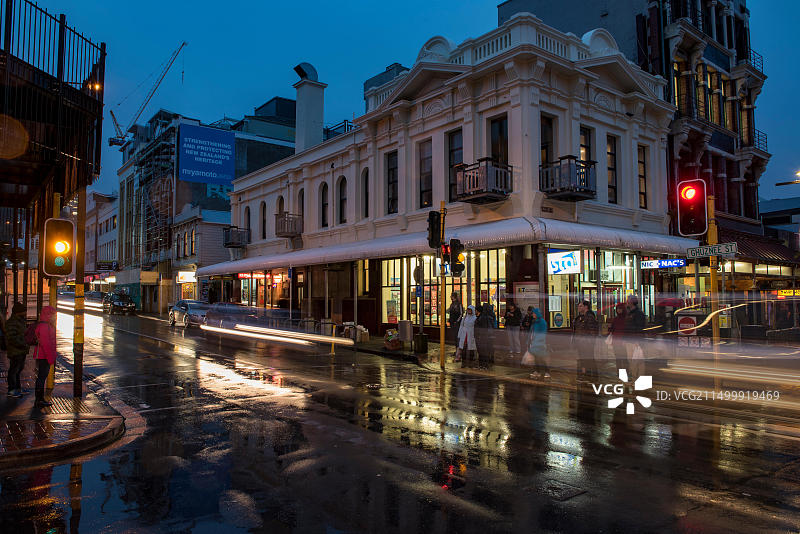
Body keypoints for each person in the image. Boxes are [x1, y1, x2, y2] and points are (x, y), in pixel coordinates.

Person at [33, 306, 58, 408]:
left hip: (44, 356)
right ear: (49, 315)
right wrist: (50, 358)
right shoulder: (45, 327)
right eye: (54, 315)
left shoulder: (46, 325)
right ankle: (39, 400)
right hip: (44, 356)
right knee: (41, 378)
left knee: (42, 377)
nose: (55, 317)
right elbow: (46, 344)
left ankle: (40, 399)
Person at [5, 302, 28, 398]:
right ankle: (12, 389)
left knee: (18, 370)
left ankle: (17, 389)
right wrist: (23, 344)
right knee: (14, 370)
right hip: (16, 350)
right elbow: (12, 337)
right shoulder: (13, 322)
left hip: (20, 350)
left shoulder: (20, 321)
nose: (25, 313)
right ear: (18, 312)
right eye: (23, 311)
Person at [573, 299, 599, 379]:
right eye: (578, 306)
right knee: (583, 359)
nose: (578, 308)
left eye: (581, 306)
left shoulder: (590, 317)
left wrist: (590, 341)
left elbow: (593, 331)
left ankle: (591, 375)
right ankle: (584, 374)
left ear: (586, 307)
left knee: (589, 359)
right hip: (580, 342)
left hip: (587, 343)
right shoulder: (580, 318)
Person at [624, 296, 647, 378]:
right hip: (630, 340)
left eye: (628, 300)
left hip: (635, 341)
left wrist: (638, 340)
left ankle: (638, 378)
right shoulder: (630, 313)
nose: (626, 302)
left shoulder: (638, 313)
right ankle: (635, 378)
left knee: (638, 360)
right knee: (632, 361)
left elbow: (640, 327)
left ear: (631, 302)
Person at [529, 307, 549, 379]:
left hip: (540, 343)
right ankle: (537, 371)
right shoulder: (535, 321)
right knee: (536, 358)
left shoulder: (542, 322)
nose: (533, 314)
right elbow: (532, 331)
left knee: (541, 358)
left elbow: (543, 333)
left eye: (534, 313)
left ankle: (547, 371)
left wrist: (539, 341)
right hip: (534, 342)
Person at [607, 303, 628, 373]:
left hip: (623, 341)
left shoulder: (626, 319)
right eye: (617, 309)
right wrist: (609, 328)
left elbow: (627, 330)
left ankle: (625, 373)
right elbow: (612, 329)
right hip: (616, 341)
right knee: (618, 358)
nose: (619, 310)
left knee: (624, 358)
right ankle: (619, 373)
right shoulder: (615, 319)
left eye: (620, 309)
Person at [475, 303, 495, 369]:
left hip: (483, 336)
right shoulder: (490, 315)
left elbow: (482, 328)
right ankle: (486, 363)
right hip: (489, 335)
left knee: (483, 350)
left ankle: (484, 364)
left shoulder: (483, 317)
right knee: (487, 349)